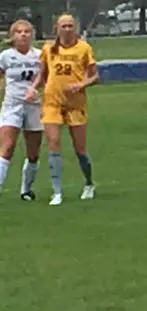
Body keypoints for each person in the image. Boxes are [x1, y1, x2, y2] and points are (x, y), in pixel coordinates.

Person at [27, 13, 99, 206]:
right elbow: (43, 74)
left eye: (70, 26)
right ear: (56, 28)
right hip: (52, 102)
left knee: (79, 149)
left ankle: (89, 183)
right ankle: (56, 191)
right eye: (63, 26)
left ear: (75, 28)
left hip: (75, 103)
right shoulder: (49, 49)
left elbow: (94, 76)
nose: (67, 29)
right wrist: (33, 89)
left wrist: (80, 84)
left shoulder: (83, 48)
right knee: (53, 143)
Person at [0, 20, 43, 200]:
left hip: (34, 106)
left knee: (33, 152)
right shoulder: (6, 56)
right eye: (19, 32)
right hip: (12, 105)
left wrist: (36, 89)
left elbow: (46, 78)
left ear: (32, 35)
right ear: (13, 35)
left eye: (26, 31)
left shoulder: (40, 55)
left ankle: (26, 189)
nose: (23, 35)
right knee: (6, 147)